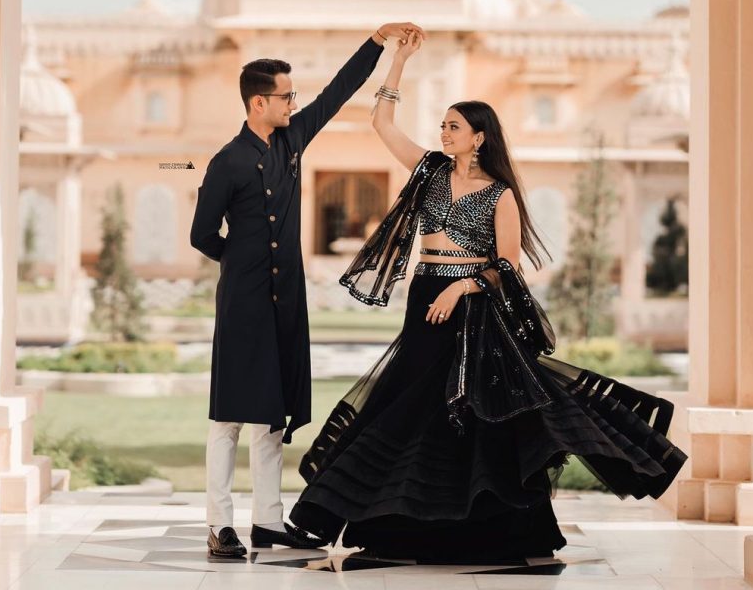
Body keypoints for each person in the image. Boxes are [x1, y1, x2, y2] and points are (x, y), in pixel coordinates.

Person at [290, 31, 687, 564]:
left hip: (472, 308)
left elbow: (507, 266)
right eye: (443, 126)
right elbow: (382, 124)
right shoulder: (429, 170)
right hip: (425, 301)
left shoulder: (500, 195)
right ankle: (385, 528)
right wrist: (398, 62)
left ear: (479, 137)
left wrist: (461, 286)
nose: (444, 133)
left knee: (468, 414)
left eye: (453, 126)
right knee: (401, 409)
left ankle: (488, 534)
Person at [190, 22, 425, 561]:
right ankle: (219, 524)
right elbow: (202, 235)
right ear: (257, 103)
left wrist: (377, 43)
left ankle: (268, 522)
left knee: (272, 413)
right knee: (228, 416)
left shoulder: (293, 140)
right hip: (244, 304)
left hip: (287, 303)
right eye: (285, 96)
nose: (294, 102)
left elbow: (340, 89)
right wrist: (242, 263)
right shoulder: (226, 162)